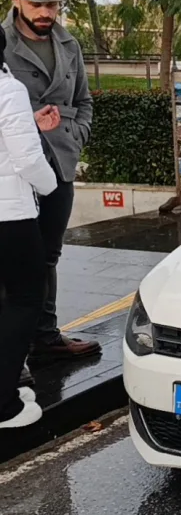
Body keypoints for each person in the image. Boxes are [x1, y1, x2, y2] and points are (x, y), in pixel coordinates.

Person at [2, 0, 98, 367]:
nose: (46, 12)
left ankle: (45, 337)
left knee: (48, 254)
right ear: (16, 1)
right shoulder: (1, 42)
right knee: (13, 262)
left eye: (53, 5)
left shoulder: (69, 43)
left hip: (59, 163)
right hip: (13, 173)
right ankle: (12, 352)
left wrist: (76, 135)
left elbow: (85, 100)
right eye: (37, 4)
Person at [0, 27, 59, 428]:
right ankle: (4, 404)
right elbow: (25, 157)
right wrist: (51, 185)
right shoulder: (9, 88)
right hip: (11, 217)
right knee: (24, 300)